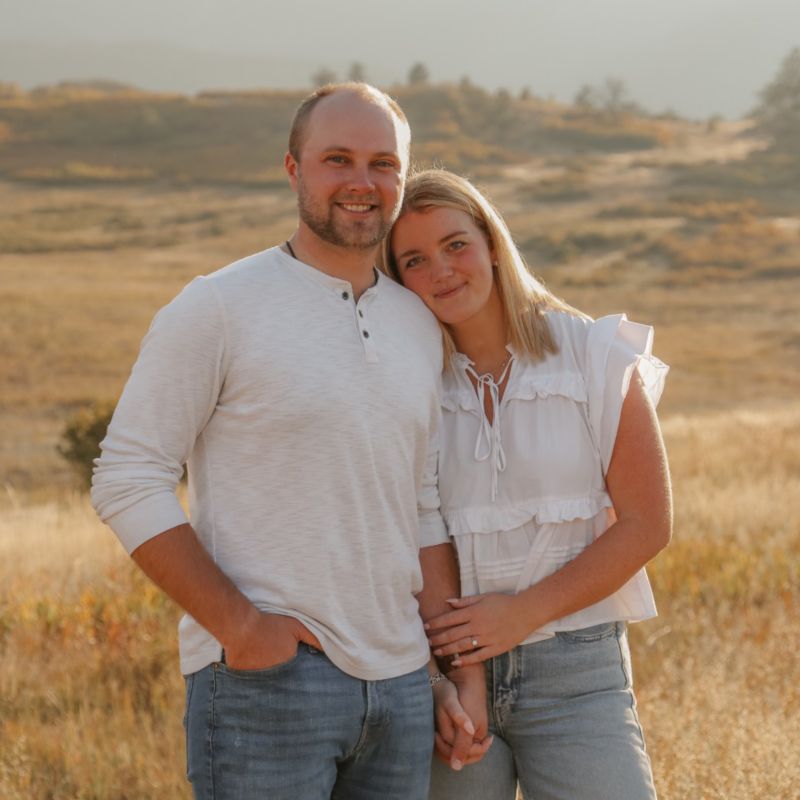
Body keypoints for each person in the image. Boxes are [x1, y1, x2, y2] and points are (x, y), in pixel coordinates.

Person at [91, 86, 488, 800]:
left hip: (401, 689)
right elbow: (127, 476)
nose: (362, 181)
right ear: (293, 168)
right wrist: (241, 628)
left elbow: (422, 506)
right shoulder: (219, 306)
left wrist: (440, 673)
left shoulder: (417, 323)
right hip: (266, 685)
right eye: (338, 159)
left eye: (383, 163)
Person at [379, 169, 673, 800]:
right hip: (452, 682)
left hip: (578, 675)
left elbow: (648, 524)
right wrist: (452, 678)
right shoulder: (407, 384)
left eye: (456, 245)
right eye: (415, 260)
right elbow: (415, 534)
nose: (441, 271)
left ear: (491, 243)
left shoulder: (594, 354)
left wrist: (524, 613)